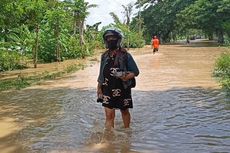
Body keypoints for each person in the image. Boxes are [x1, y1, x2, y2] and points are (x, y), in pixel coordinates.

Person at [97, 28, 139, 130]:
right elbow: (101, 73)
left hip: (123, 88)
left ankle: (127, 133)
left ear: (118, 40)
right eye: (108, 38)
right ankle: (109, 138)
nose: (111, 40)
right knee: (109, 115)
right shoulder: (104, 56)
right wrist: (99, 87)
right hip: (107, 87)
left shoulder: (126, 55)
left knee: (124, 111)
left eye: (113, 38)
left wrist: (126, 77)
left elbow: (136, 71)